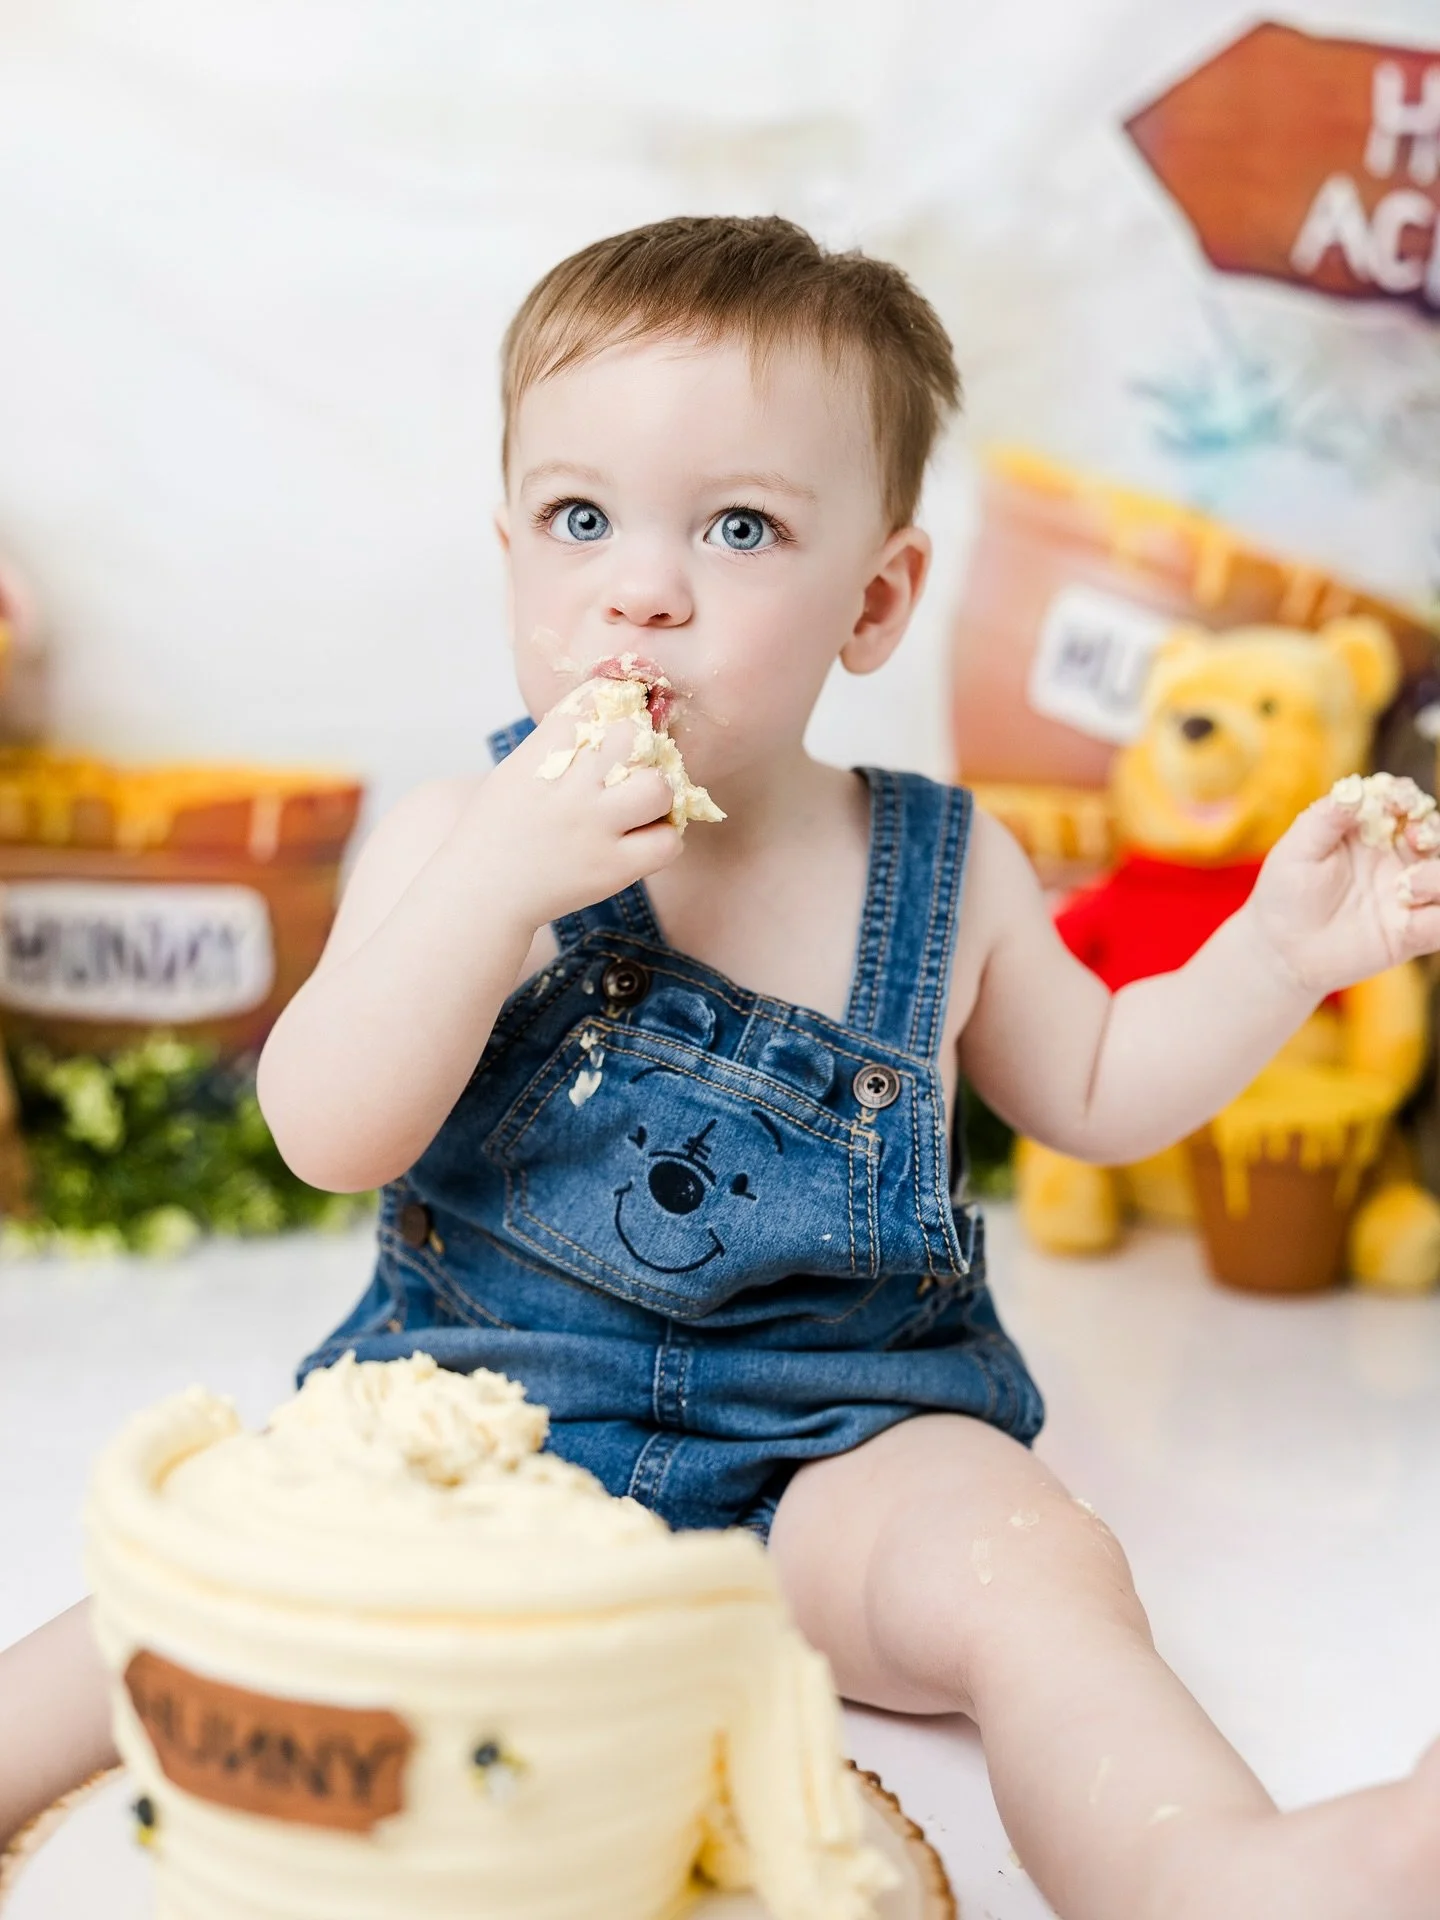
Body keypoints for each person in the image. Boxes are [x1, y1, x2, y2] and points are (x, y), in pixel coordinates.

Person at [4, 215, 1439, 1918]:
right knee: (209, 1562)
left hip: (847, 1447)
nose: (642, 585)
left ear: (876, 600)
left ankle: (1224, 1870)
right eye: (580, 518)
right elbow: (326, 1131)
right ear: (515, 553)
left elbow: (1100, 1091)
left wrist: (1274, 959)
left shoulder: (941, 861)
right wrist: (492, 892)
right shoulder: (457, 837)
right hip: (479, 1431)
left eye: (740, 527)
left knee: (1036, 1573)